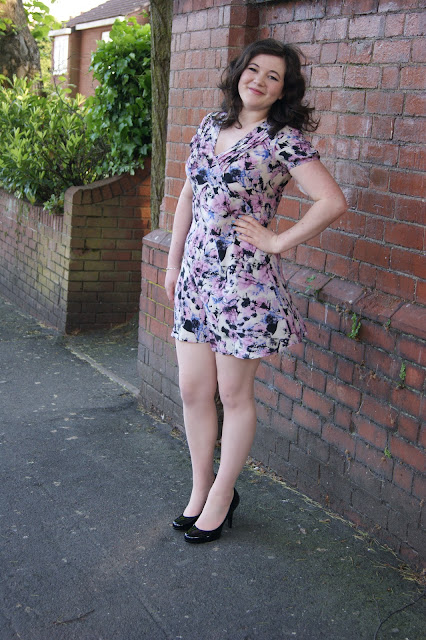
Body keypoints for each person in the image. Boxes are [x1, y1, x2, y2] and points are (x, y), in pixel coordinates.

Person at [164, 39, 347, 544]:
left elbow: (332, 201)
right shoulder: (210, 125)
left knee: (233, 394)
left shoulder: (283, 140)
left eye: (274, 77)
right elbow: (188, 195)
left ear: (284, 90)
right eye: (254, 69)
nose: (260, 81)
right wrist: (174, 263)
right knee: (193, 389)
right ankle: (201, 489)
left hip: (244, 283)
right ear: (239, 72)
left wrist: (277, 241)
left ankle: (223, 495)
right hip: (196, 278)